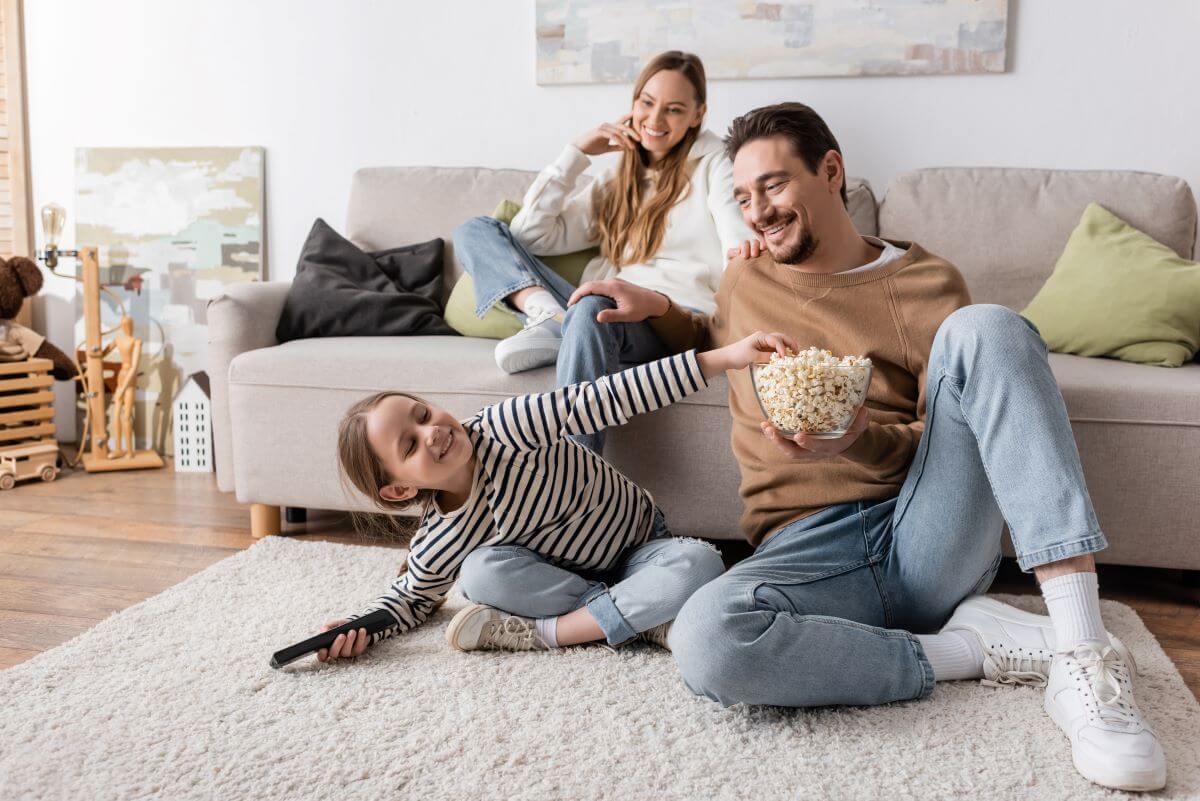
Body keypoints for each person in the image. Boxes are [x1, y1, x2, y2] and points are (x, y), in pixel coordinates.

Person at [566, 102, 1166, 792]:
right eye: (742, 195)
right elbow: (713, 332)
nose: (757, 210)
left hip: (925, 531)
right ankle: (967, 650)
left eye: (774, 185)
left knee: (990, 327)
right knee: (707, 640)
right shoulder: (745, 277)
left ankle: (1084, 657)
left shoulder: (927, 283)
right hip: (804, 551)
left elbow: (952, 439)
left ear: (831, 171)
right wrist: (659, 310)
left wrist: (857, 441)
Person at [315, 331, 794, 660]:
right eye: (410, 444)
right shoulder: (440, 541)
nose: (432, 432)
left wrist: (724, 357)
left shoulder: (507, 427)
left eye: (422, 415)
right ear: (400, 488)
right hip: (565, 585)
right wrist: (357, 629)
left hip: (641, 548)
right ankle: (638, 619)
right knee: (478, 574)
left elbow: (609, 396)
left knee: (699, 563)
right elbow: (409, 601)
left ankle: (557, 634)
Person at [452, 50, 753, 453]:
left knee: (593, 303)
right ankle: (549, 315)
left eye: (674, 109)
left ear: (698, 114)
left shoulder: (717, 165)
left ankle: (577, 474)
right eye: (647, 103)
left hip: (667, 317)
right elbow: (529, 236)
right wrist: (576, 153)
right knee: (476, 230)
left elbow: (738, 243)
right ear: (633, 103)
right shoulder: (618, 175)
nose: (655, 120)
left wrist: (748, 262)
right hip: (594, 309)